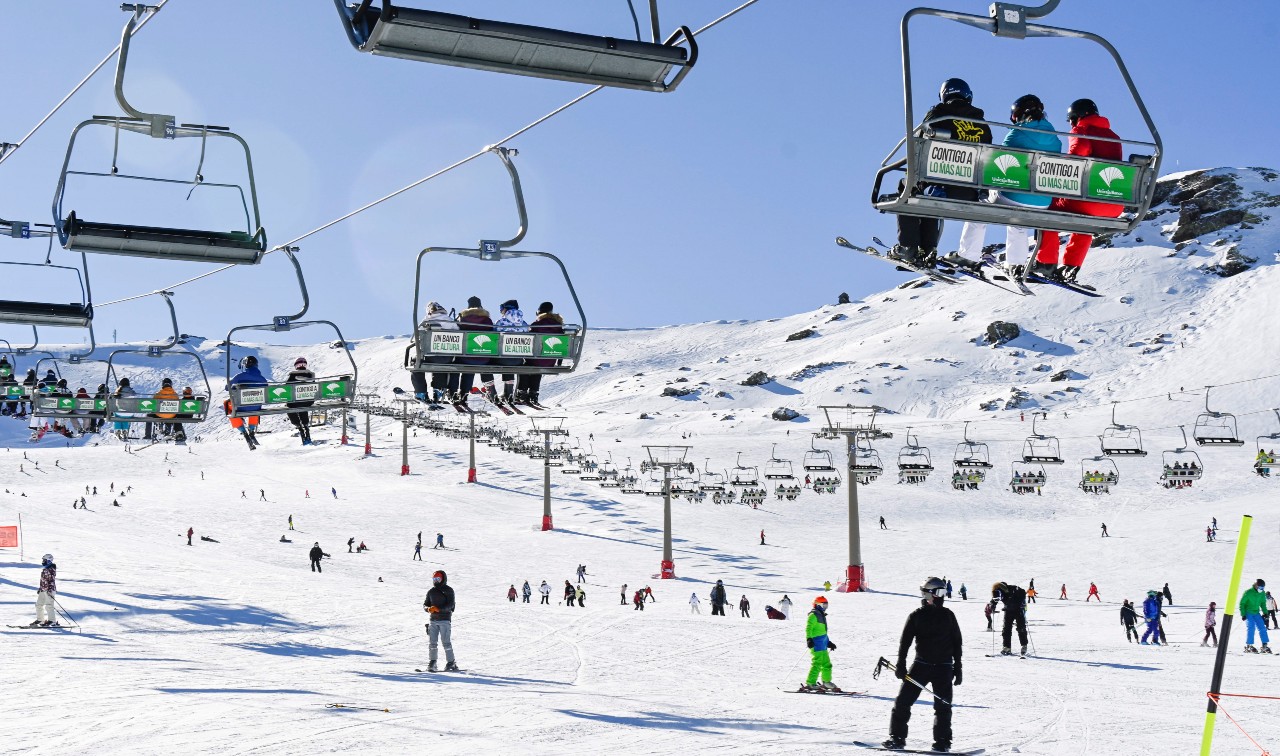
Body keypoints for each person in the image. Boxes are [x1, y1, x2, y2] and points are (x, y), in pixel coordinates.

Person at [946, 93, 1060, 279]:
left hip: (1013, 197)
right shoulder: (1055, 138)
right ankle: (1015, 265)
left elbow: (998, 163)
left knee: (980, 206)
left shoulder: (1017, 133)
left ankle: (968, 256)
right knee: (1019, 221)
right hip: (1042, 201)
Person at [888, 78, 993, 269]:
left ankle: (909, 246)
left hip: (941, 187)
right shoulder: (982, 124)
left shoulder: (937, 115)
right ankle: (928, 249)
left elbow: (919, 146)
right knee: (928, 190)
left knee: (909, 187)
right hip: (970, 192)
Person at [1029, 98, 1125, 284]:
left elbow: (1076, 155)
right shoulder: (1114, 136)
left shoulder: (1082, 129)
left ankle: (1045, 262)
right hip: (1114, 204)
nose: (1071, 124)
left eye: (1071, 120)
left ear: (1077, 116)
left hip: (1089, 202)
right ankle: (1071, 266)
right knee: (1085, 223)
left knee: (1046, 208)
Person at [884, 577, 962, 752]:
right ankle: (897, 738)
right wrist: (901, 664)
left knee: (943, 706)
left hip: (943, 667)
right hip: (921, 665)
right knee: (903, 702)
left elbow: (957, 642)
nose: (942, 597)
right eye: (939, 592)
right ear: (928, 594)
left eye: (944, 592)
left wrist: (958, 667)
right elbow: (905, 642)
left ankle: (942, 742)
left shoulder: (948, 615)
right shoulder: (916, 616)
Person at [410, 301, 460, 404]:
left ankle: (421, 392)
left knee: (416, 362)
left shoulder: (427, 321)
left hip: (430, 356)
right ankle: (438, 390)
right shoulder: (449, 321)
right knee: (440, 364)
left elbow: (416, 336)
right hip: (447, 358)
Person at [518, 302, 564, 406]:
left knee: (525, 366)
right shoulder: (558, 326)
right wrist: (559, 361)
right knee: (538, 367)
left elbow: (528, 338)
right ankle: (533, 393)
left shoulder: (537, 324)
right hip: (550, 359)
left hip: (535, 359)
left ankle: (522, 393)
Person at [454, 296, 494, 408]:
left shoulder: (463, 319)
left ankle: (463, 394)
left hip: (466, 357)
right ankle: (491, 390)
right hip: (484, 356)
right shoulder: (487, 320)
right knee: (484, 360)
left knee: (468, 366)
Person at [492, 299, 529, 405]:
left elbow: (493, 336)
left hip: (502, 359)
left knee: (505, 354)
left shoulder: (501, 322)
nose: (501, 311)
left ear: (506, 309)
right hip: (518, 360)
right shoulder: (524, 324)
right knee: (511, 355)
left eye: (502, 309)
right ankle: (508, 393)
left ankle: (506, 393)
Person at [226, 356, 266, 450]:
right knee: (255, 406)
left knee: (228, 405)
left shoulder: (240, 376)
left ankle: (243, 431)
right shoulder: (262, 378)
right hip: (256, 407)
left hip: (241, 407)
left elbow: (227, 387)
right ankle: (251, 430)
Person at [802, 596, 840, 692]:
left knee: (827, 664)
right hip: (816, 643)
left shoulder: (821, 615)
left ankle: (826, 682)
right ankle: (810, 683)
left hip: (823, 644)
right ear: (818, 605)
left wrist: (828, 642)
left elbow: (823, 632)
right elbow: (808, 628)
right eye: (824, 605)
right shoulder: (813, 615)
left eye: (826, 605)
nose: (825, 607)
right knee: (817, 663)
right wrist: (809, 639)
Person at [423, 570, 459, 671]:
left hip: (444, 620)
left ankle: (451, 662)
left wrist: (439, 609)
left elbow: (451, 605)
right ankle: (432, 662)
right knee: (432, 643)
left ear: (443, 579)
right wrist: (428, 609)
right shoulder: (431, 591)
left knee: (446, 642)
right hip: (433, 620)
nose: (436, 581)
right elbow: (425, 604)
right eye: (434, 579)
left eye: (438, 579)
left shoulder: (449, 590)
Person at [284, 357, 315, 445]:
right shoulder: (310, 376)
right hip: (308, 402)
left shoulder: (293, 376)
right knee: (303, 405)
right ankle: (306, 426)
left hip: (295, 403)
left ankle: (299, 426)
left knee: (290, 407)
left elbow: (286, 389)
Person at [994, 581, 1029, 656]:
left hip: (1018, 610)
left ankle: (1024, 646)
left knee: (1021, 628)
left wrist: (1021, 603)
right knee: (1006, 629)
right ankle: (1007, 647)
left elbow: (1023, 593)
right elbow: (995, 599)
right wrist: (993, 605)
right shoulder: (997, 591)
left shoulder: (1014, 589)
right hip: (1008, 611)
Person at [1240, 579, 1272, 653]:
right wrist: (1243, 614)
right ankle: (1249, 646)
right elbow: (1242, 604)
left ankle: (1264, 645)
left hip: (1256, 613)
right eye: (1260, 587)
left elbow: (1263, 603)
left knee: (1262, 628)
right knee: (1251, 628)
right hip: (1248, 612)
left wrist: (1265, 613)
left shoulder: (1262, 593)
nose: (1262, 589)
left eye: (1263, 588)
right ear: (1256, 586)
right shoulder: (1248, 593)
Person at [32, 553, 58, 627]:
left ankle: (52, 621)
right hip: (43, 590)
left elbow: (51, 581)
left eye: (44, 560)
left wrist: (49, 590)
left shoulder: (51, 569)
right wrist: (40, 588)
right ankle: (40, 620)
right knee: (38, 605)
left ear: (49, 561)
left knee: (49, 605)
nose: (43, 562)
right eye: (43, 560)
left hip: (49, 590)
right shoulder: (46, 569)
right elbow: (44, 581)